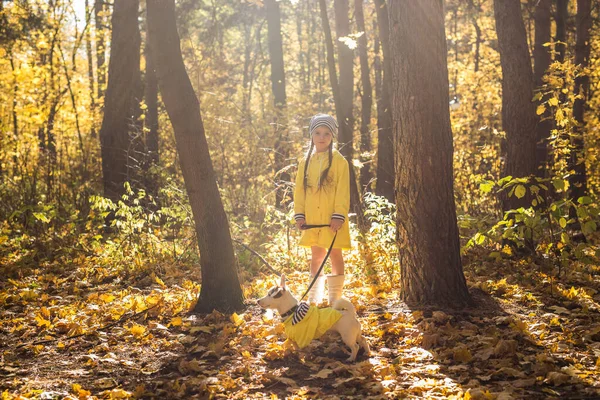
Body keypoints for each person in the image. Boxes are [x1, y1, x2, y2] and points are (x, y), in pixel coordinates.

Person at [293, 113, 351, 306]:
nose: (322, 137)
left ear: (332, 136)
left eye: (326, 133)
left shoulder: (339, 162)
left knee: (335, 254)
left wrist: (338, 215)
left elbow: (343, 191)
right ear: (311, 135)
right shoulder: (305, 162)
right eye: (317, 132)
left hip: (332, 220)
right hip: (312, 220)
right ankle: (313, 300)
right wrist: (299, 215)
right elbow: (299, 191)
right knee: (316, 256)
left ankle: (335, 299)